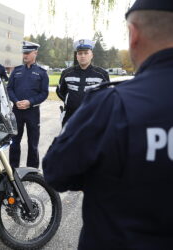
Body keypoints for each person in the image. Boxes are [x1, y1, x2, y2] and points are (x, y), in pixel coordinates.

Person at [43, 0, 173, 248]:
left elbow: (56, 172)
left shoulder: (109, 104)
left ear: (133, 35)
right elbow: (62, 92)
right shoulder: (79, 82)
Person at [7, 41, 49, 169]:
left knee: (33, 143)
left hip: (32, 112)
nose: (24, 55)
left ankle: (32, 169)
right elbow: (9, 89)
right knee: (14, 141)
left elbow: (44, 93)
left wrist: (30, 102)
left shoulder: (42, 72)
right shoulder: (17, 70)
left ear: (35, 53)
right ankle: (13, 168)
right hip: (17, 111)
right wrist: (15, 101)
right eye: (23, 53)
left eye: (27, 53)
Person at [57, 39, 109, 126]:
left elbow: (105, 96)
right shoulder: (66, 73)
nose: (83, 56)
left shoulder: (102, 74)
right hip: (70, 117)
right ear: (76, 56)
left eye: (86, 53)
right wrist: (71, 102)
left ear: (92, 55)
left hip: (92, 117)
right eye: (80, 53)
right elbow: (61, 91)